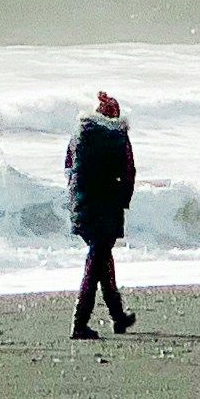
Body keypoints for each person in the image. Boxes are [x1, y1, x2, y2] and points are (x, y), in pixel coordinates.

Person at [63, 92, 136, 340]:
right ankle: (79, 322)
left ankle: (118, 317)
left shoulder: (79, 134)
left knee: (102, 258)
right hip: (106, 206)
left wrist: (75, 197)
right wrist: (123, 201)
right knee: (96, 261)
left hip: (81, 204)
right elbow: (128, 173)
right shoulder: (118, 137)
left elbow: (68, 167)